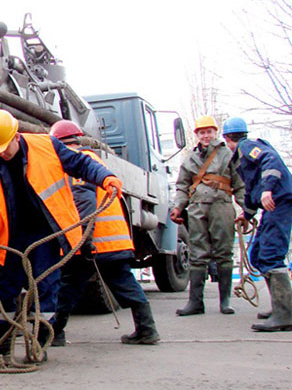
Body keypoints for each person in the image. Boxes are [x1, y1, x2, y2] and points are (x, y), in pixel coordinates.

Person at [0, 109, 121, 359]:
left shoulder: (47, 145)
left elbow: (80, 163)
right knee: (1, 288)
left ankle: (40, 344)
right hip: (9, 237)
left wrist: (106, 178)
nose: (2, 154)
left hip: (45, 233)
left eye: (5, 147)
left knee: (45, 287)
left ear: (16, 135)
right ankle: (1, 346)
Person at [49, 120, 160, 346]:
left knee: (67, 287)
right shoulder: (93, 158)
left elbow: (84, 202)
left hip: (94, 242)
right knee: (123, 283)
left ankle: (55, 333)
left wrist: (84, 240)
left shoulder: (75, 163)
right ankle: (147, 329)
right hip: (112, 241)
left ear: (57, 143)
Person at [170, 115, 246, 316]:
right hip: (196, 209)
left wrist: (247, 211)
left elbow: (240, 184)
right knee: (197, 255)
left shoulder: (227, 155)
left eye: (209, 132)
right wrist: (178, 206)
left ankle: (225, 302)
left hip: (221, 206)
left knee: (223, 253)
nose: (205, 136)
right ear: (197, 135)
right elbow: (182, 186)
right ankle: (195, 303)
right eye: (202, 132)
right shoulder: (190, 158)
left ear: (215, 133)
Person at [222, 117, 292, 332]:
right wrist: (247, 214)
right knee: (258, 253)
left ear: (226, 138)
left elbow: (270, 161)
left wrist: (269, 189)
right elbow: (253, 191)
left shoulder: (248, 146)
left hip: (279, 202)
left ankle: (285, 314)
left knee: (270, 255)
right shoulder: (242, 156)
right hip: (274, 205)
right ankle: (282, 307)